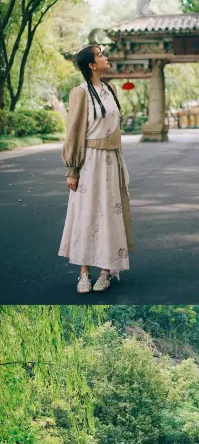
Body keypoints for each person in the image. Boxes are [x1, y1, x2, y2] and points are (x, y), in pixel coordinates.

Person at [58, 45, 134, 293]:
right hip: (90, 162)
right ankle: (83, 273)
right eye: (100, 55)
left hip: (111, 161)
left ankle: (106, 271)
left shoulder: (110, 89)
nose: (106, 57)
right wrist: (72, 169)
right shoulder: (80, 93)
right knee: (86, 214)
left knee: (110, 216)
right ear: (91, 65)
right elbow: (74, 132)